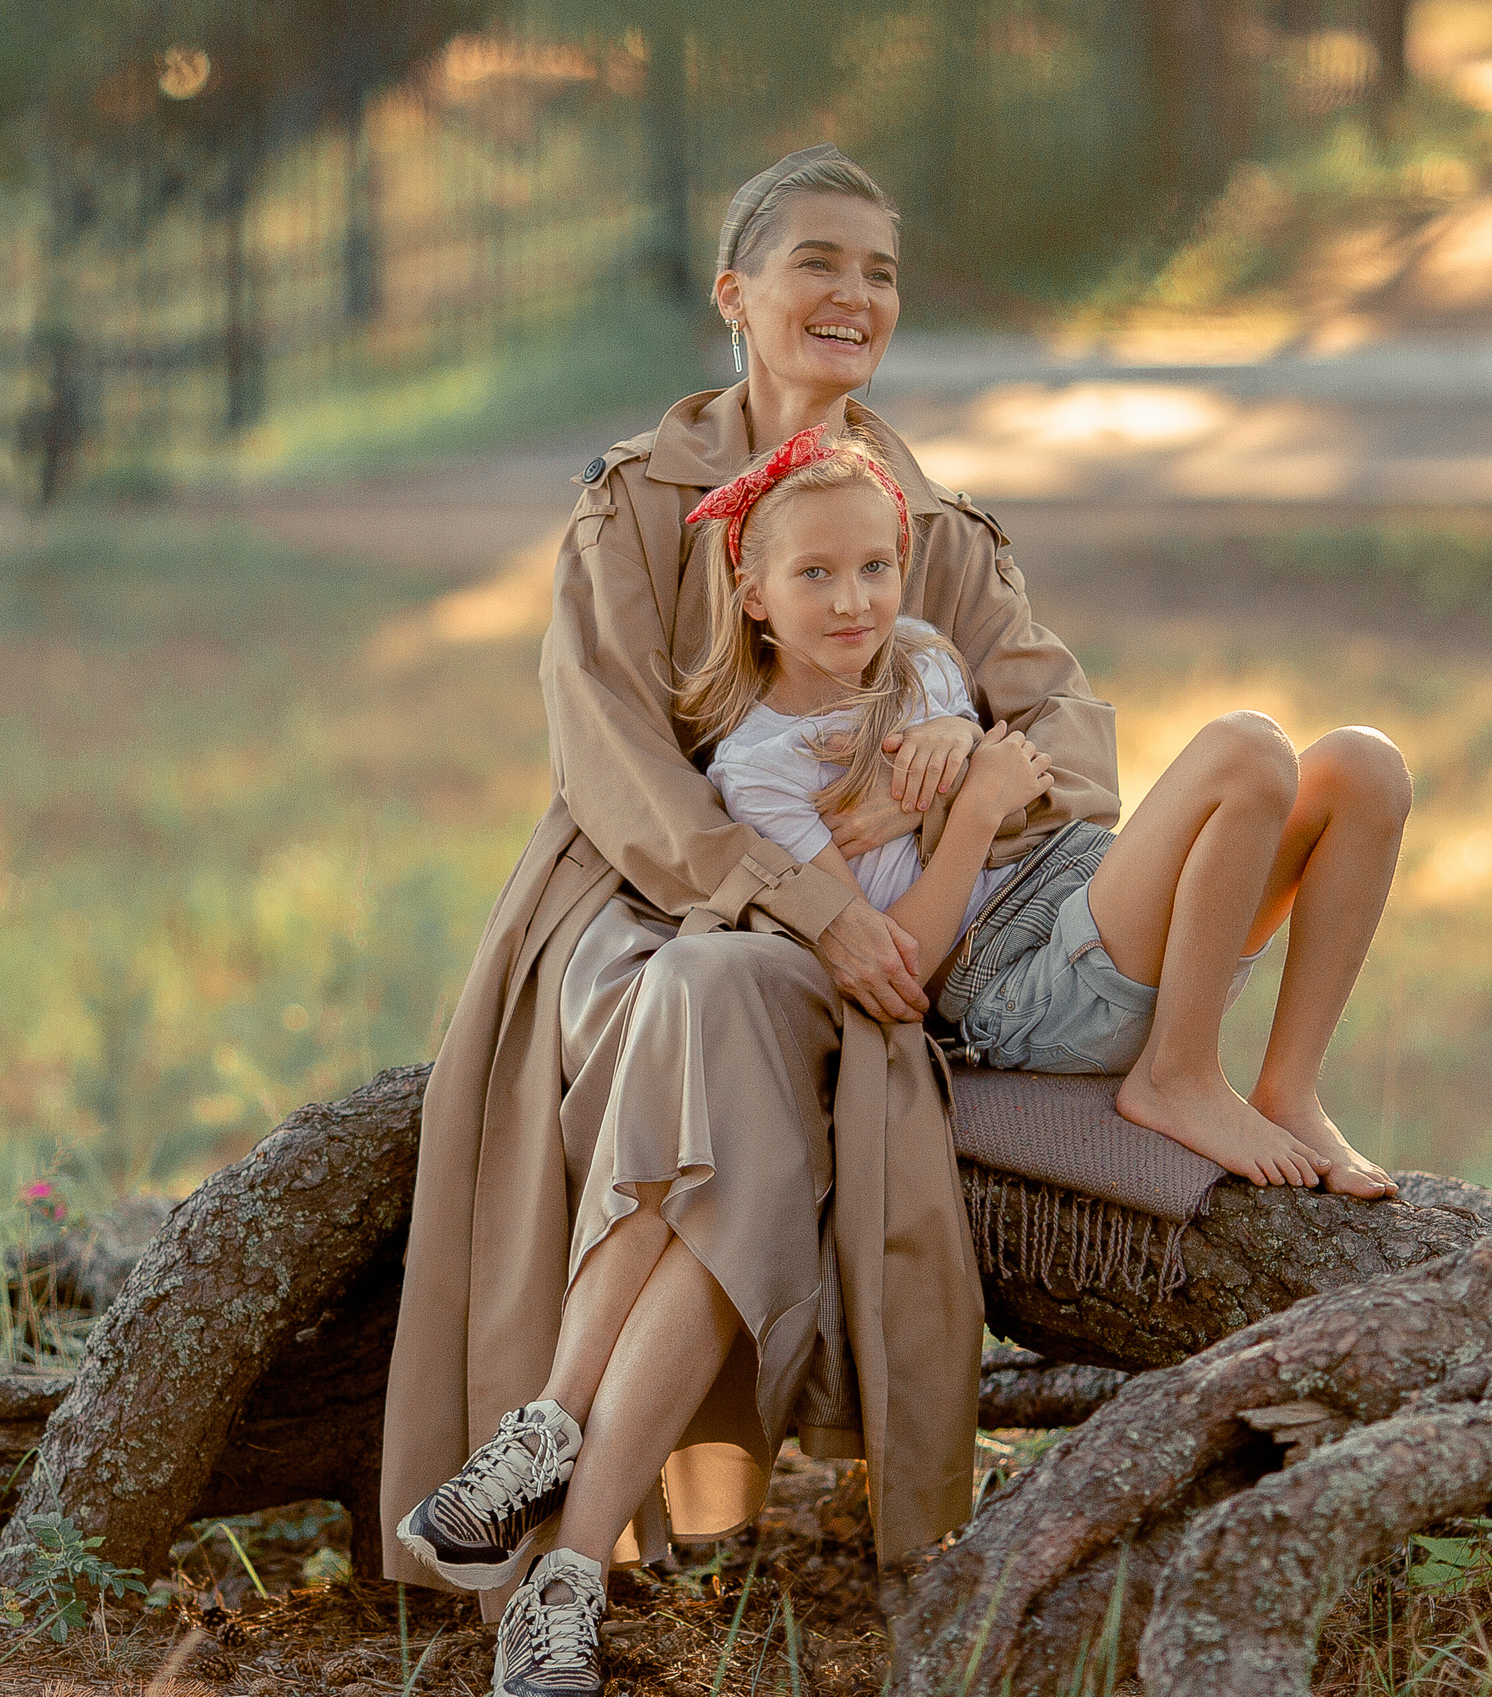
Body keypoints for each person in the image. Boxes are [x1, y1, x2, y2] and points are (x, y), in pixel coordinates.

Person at [375, 146, 1121, 1697]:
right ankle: (572, 1563)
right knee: (715, 996)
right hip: (648, 902)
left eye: (882, 271)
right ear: (737, 296)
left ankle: (550, 1503)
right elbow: (615, 762)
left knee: (740, 1029)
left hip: (868, 919)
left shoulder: (926, 524)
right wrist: (797, 900)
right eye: (819, 262)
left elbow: (1077, 740)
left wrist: (964, 775)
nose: (854, 295)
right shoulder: (638, 499)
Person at [685, 424, 1412, 1191]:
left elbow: (1009, 765)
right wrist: (973, 809)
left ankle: (1290, 1089)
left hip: (1070, 885)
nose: (852, 600)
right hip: (999, 981)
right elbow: (893, 969)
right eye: (814, 573)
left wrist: (960, 744)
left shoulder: (921, 656)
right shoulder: (761, 768)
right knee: (1247, 750)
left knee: (1367, 767)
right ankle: (1178, 1076)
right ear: (754, 594)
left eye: (875, 566)